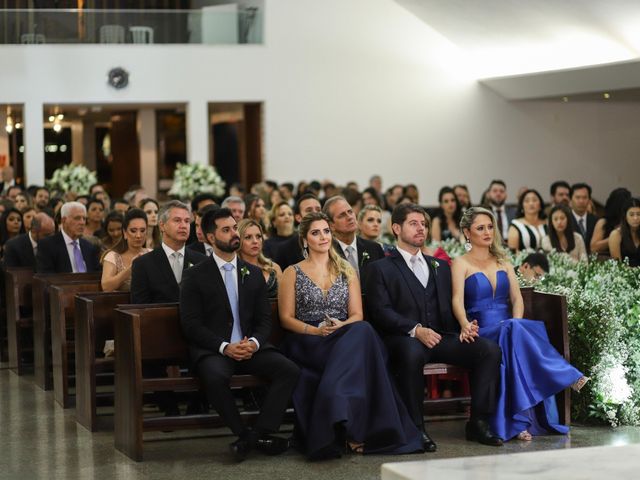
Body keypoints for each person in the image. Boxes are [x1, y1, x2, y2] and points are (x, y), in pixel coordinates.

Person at [279, 211, 422, 459]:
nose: (322, 237)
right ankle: (349, 424)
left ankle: (337, 406)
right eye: (315, 232)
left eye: (326, 231)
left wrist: (341, 325)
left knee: (362, 330)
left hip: (343, 334)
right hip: (307, 340)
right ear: (304, 240)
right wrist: (316, 330)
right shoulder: (292, 271)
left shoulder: (346, 270)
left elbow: (357, 314)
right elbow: (286, 318)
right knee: (364, 341)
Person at [365, 203, 503, 450]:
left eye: (424, 224)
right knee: (412, 352)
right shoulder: (380, 268)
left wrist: (464, 326)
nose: (421, 229)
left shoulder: (439, 266)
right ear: (396, 228)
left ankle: (478, 423)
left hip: (442, 336)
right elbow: (380, 312)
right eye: (414, 223)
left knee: (488, 350)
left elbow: (452, 305)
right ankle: (415, 429)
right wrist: (416, 330)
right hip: (404, 339)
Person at [451, 207, 588, 442]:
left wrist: (516, 321)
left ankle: (519, 423)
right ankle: (566, 374)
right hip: (481, 329)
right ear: (466, 232)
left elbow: (517, 299)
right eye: (480, 228)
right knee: (515, 331)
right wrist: (464, 324)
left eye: (490, 227)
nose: (487, 232)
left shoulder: (503, 261)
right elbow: (456, 300)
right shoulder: (460, 263)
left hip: (509, 327)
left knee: (515, 329)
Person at [180, 208, 299, 461]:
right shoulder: (194, 275)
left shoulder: (253, 273)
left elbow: (264, 320)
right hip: (216, 349)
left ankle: (254, 436)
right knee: (214, 376)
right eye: (227, 230)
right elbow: (191, 324)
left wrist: (254, 343)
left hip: (249, 347)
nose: (234, 233)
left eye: (235, 228)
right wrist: (225, 347)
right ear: (211, 238)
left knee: (288, 369)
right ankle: (244, 433)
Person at [131, 200, 207, 304]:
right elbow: (139, 309)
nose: (183, 226)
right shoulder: (143, 264)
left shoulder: (202, 261)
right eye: (177, 220)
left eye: (187, 221)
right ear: (162, 226)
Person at [323, 196, 384, 284]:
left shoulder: (374, 248)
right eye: (342, 215)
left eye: (350, 212)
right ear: (331, 225)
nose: (349, 217)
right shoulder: (327, 253)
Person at [36, 202, 101, 273]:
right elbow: (46, 277)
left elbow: (96, 275)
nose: (82, 222)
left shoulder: (89, 247)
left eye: (84, 219)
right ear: (64, 220)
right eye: (77, 218)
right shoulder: (47, 246)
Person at [100, 209, 151, 292]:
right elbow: (106, 287)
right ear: (125, 233)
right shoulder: (112, 256)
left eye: (142, 230)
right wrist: (130, 269)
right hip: (121, 303)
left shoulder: (152, 254)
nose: (138, 235)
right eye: (133, 231)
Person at [273, 194, 322, 270]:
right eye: (309, 210)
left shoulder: (332, 243)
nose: (315, 213)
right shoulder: (285, 249)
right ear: (298, 217)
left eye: (318, 210)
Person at [237, 218, 282, 298]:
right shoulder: (233, 270)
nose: (255, 241)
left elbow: (284, 300)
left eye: (258, 236)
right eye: (248, 237)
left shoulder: (274, 267)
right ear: (238, 241)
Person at [590, 188, 632, 255]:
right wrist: (615, 236)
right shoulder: (604, 222)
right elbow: (594, 248)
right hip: (607, 259)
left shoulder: (631, 221)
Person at [608, 197, 640, 267]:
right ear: (625, 216)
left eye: (638, 214)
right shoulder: (616, 234)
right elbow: (617, 265)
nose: (636, 218)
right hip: (625, 275)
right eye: (631, 215)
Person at [569, 183, 598, 253]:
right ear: (570, 199)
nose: (581, 201)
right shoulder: (566, 219)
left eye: (584, 197)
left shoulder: (596, 220)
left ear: (589, 200)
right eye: (577, 197)